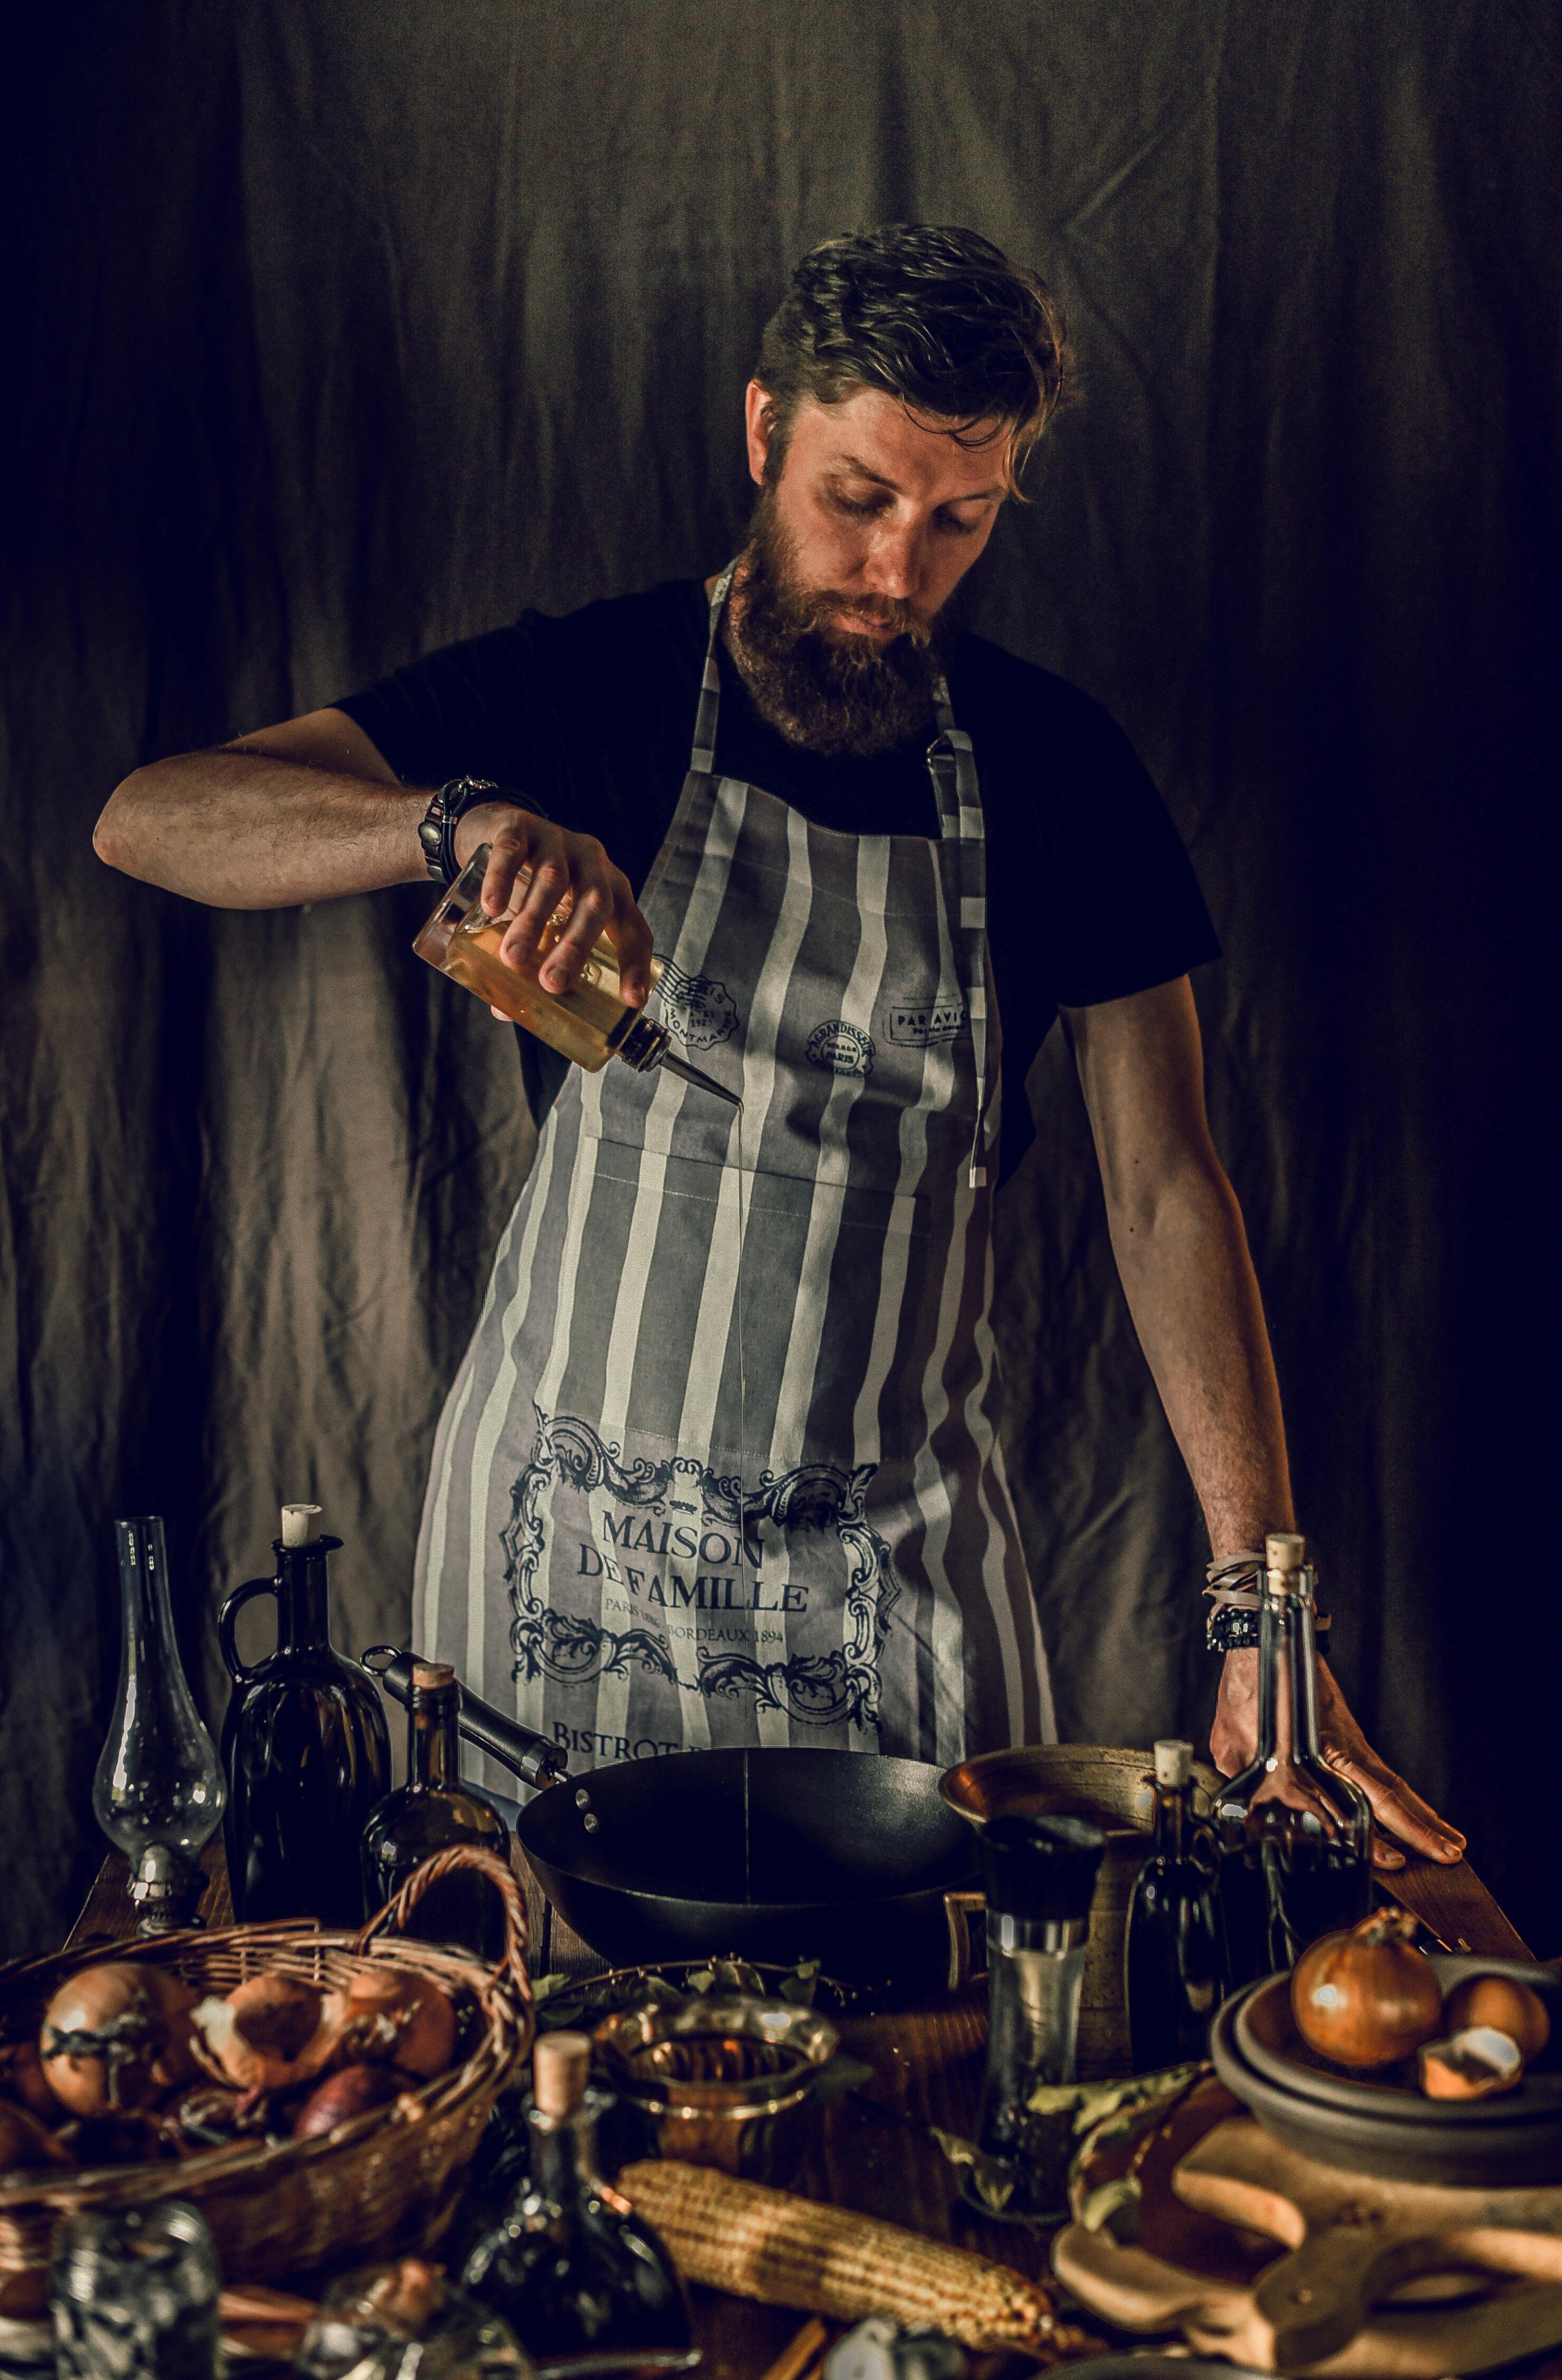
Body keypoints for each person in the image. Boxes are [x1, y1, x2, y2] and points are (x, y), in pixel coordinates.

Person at [95, 224, 1461, 1867]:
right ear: (764, 434)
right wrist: (455, 824)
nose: (899, 573)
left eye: (960, 520)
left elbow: (1167, 1187)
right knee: (562, 2052)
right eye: (858, 500)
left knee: (935, 2054)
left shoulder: (1057, 769)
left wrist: (1258, 1609)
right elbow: (151, 819)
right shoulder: (586, 687)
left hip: (890, 1573)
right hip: (561, 1550)